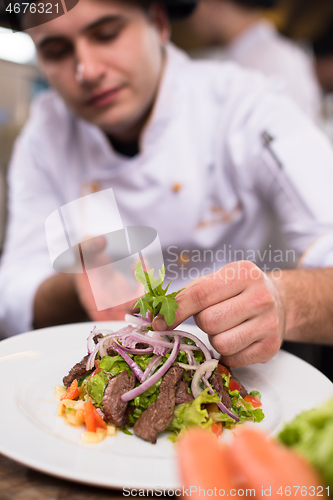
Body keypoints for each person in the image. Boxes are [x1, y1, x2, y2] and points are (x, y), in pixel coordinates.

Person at [1, 0, 333, 369]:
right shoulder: (45, 133)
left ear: (159, 23)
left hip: (245, 371)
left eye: (107, 34)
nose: (88, 70)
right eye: (57, 51)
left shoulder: (246, 106)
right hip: (113, 366)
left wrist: (285, 301)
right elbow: (13, 291)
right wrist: (72, 289)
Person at [187, 0, 321, 121]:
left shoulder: (271, 59)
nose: (190, 19)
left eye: (193, 5)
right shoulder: (254, 56)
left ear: (215, 2)